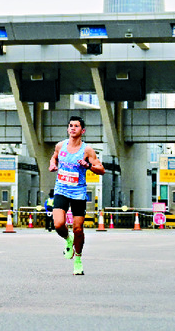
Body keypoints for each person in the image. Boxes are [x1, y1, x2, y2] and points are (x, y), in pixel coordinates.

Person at [48, 115, 105, 276]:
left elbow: (101, 169)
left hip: (78, 192)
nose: (73, 128)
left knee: (78, 229)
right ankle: (68, 239)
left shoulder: (87, 150)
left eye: (76, 126)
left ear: (82, 130)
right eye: (70, 125)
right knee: (59, 224)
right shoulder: (61, 146)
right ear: (68, 129)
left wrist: (88, 166)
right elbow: (54, 157)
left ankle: (78, 259)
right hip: (61, 189)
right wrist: (53, 164)